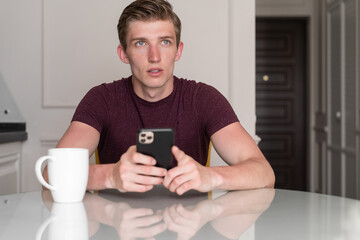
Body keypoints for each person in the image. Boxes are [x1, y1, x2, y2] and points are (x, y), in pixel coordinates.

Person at [46, 0, 275, 195]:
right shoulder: (101, 99)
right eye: (141, 43)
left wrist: (211, 176)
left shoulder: (204, 99)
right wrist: (110, 176)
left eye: (165, 42)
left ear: (178, 50)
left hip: (191, 230)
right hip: (114, 230)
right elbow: (51, 173)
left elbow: (264, 173)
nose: (154, 56)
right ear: (123, 54)